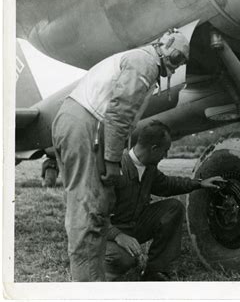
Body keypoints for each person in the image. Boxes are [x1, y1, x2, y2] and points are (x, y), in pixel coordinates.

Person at [52, 29, 190, 281]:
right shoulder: (145, 63)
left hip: (84, 124)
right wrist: (113, 160)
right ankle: (86, 286)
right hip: (86, 125)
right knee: (88, 210)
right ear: (167, 50)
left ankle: (90, 280)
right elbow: (120, 113)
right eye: (178, 58)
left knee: (93, 207)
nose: (177, 65)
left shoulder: (141, 61)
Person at [105, 120, 225, 281]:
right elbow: (88, 215)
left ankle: (155, 271)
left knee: (173, 208)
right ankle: (97, 266)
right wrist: (118, 235)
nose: (165, 156)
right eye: (165, 150)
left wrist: (199, 183)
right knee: (124, 259)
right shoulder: (114, 168)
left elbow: (168, 185)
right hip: (107, 233)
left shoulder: (149, 168)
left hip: (133, 226)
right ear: (154, 148)